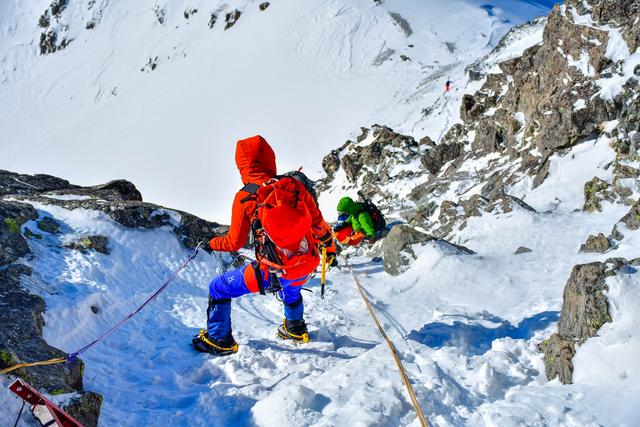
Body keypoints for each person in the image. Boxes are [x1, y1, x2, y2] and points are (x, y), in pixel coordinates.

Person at [192, 135, 335, 356]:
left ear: (242, 165)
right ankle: (295, 328)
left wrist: (211, 242)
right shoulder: (293, 186)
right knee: (292, 290)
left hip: (272, 271)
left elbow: (234, 242)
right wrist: (329, 246)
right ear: (270, 159)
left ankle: (219, 340)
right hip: (306, 262)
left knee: (218, 288)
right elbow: (319, 226)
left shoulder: (245, 196)